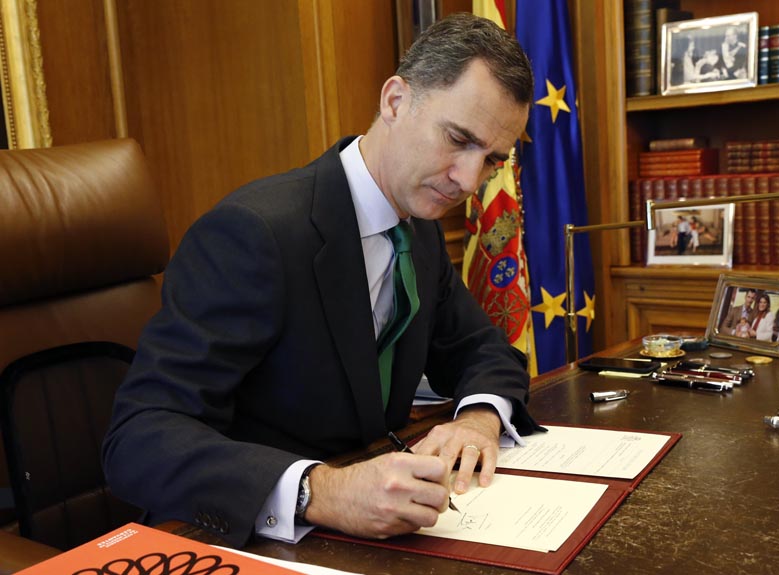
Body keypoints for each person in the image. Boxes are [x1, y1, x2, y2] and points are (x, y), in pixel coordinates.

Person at [102, 13, 541, 550]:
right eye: (457, 139)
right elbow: (138, 438)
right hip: (240, 536)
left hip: (365, 537)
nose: (469, 181)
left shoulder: (417, 229)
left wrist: (477, 420)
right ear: (395, 101)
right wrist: (320, 490)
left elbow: (481, 348)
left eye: (492, 160)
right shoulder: (254, 232)